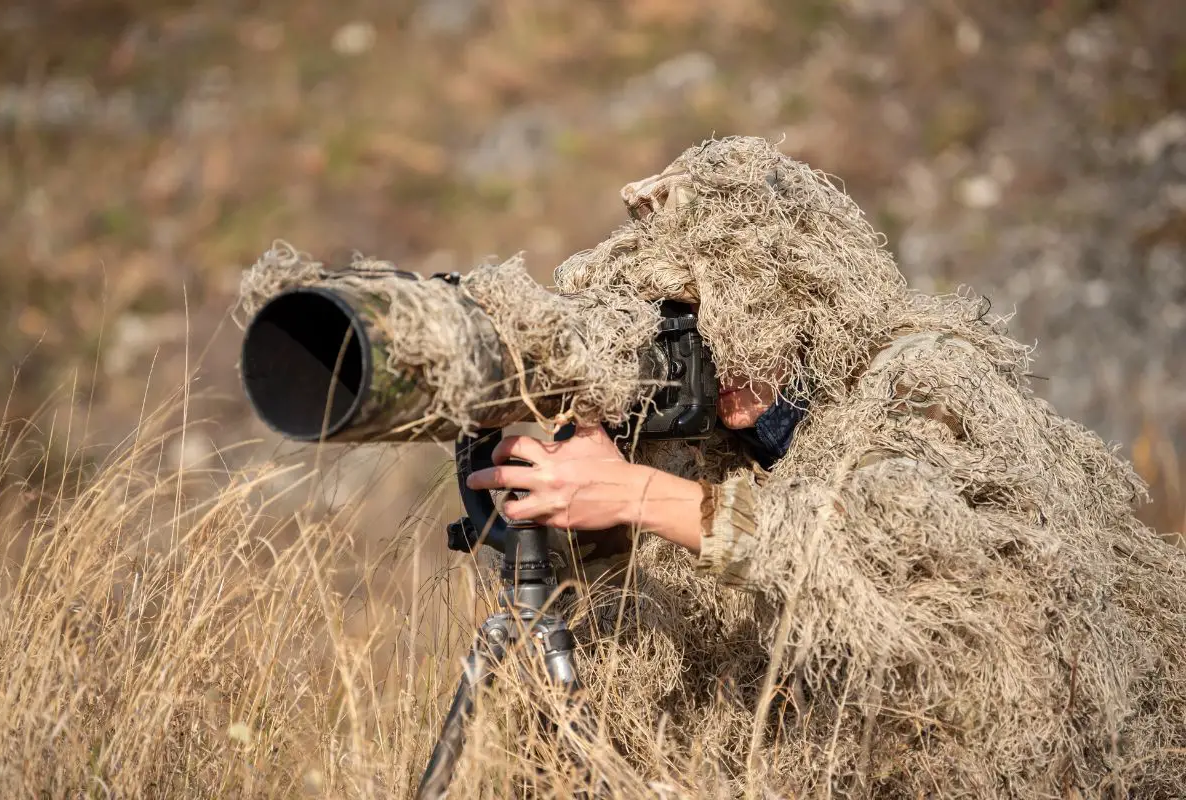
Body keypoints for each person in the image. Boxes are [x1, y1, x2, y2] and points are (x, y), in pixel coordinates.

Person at [463, 135, 1186, 797]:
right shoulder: (699, 433)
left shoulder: (924, 380)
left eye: (748, 319)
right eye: (689, 325)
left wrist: (633, 492)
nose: (719, 352)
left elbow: (877, 549)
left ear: (813, 303)